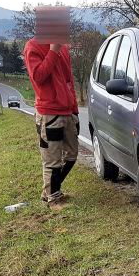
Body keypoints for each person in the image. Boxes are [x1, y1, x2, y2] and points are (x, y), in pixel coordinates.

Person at [23, 34, 79, 209]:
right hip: (48, 113)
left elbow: (69, 81)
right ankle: (53, 198)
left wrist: (75, 111)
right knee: (52, 160)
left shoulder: (64, 47)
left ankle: (49, 191)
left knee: (71, 156)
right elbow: (38, 76)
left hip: (67, 111)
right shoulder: (33, 46)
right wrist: (53, 50)